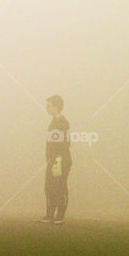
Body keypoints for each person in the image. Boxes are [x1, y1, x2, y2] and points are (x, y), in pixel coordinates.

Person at [39, 94, 71, 224]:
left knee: (60, 187)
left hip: (61, 160)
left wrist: (58, 160)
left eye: (49, 105)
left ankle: (60, 215)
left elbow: (66, 143)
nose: (47, 108)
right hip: (53, 160)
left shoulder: (63, 123)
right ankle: (50, 214)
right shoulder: (53, 122)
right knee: (49, 187)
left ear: (56, 107)